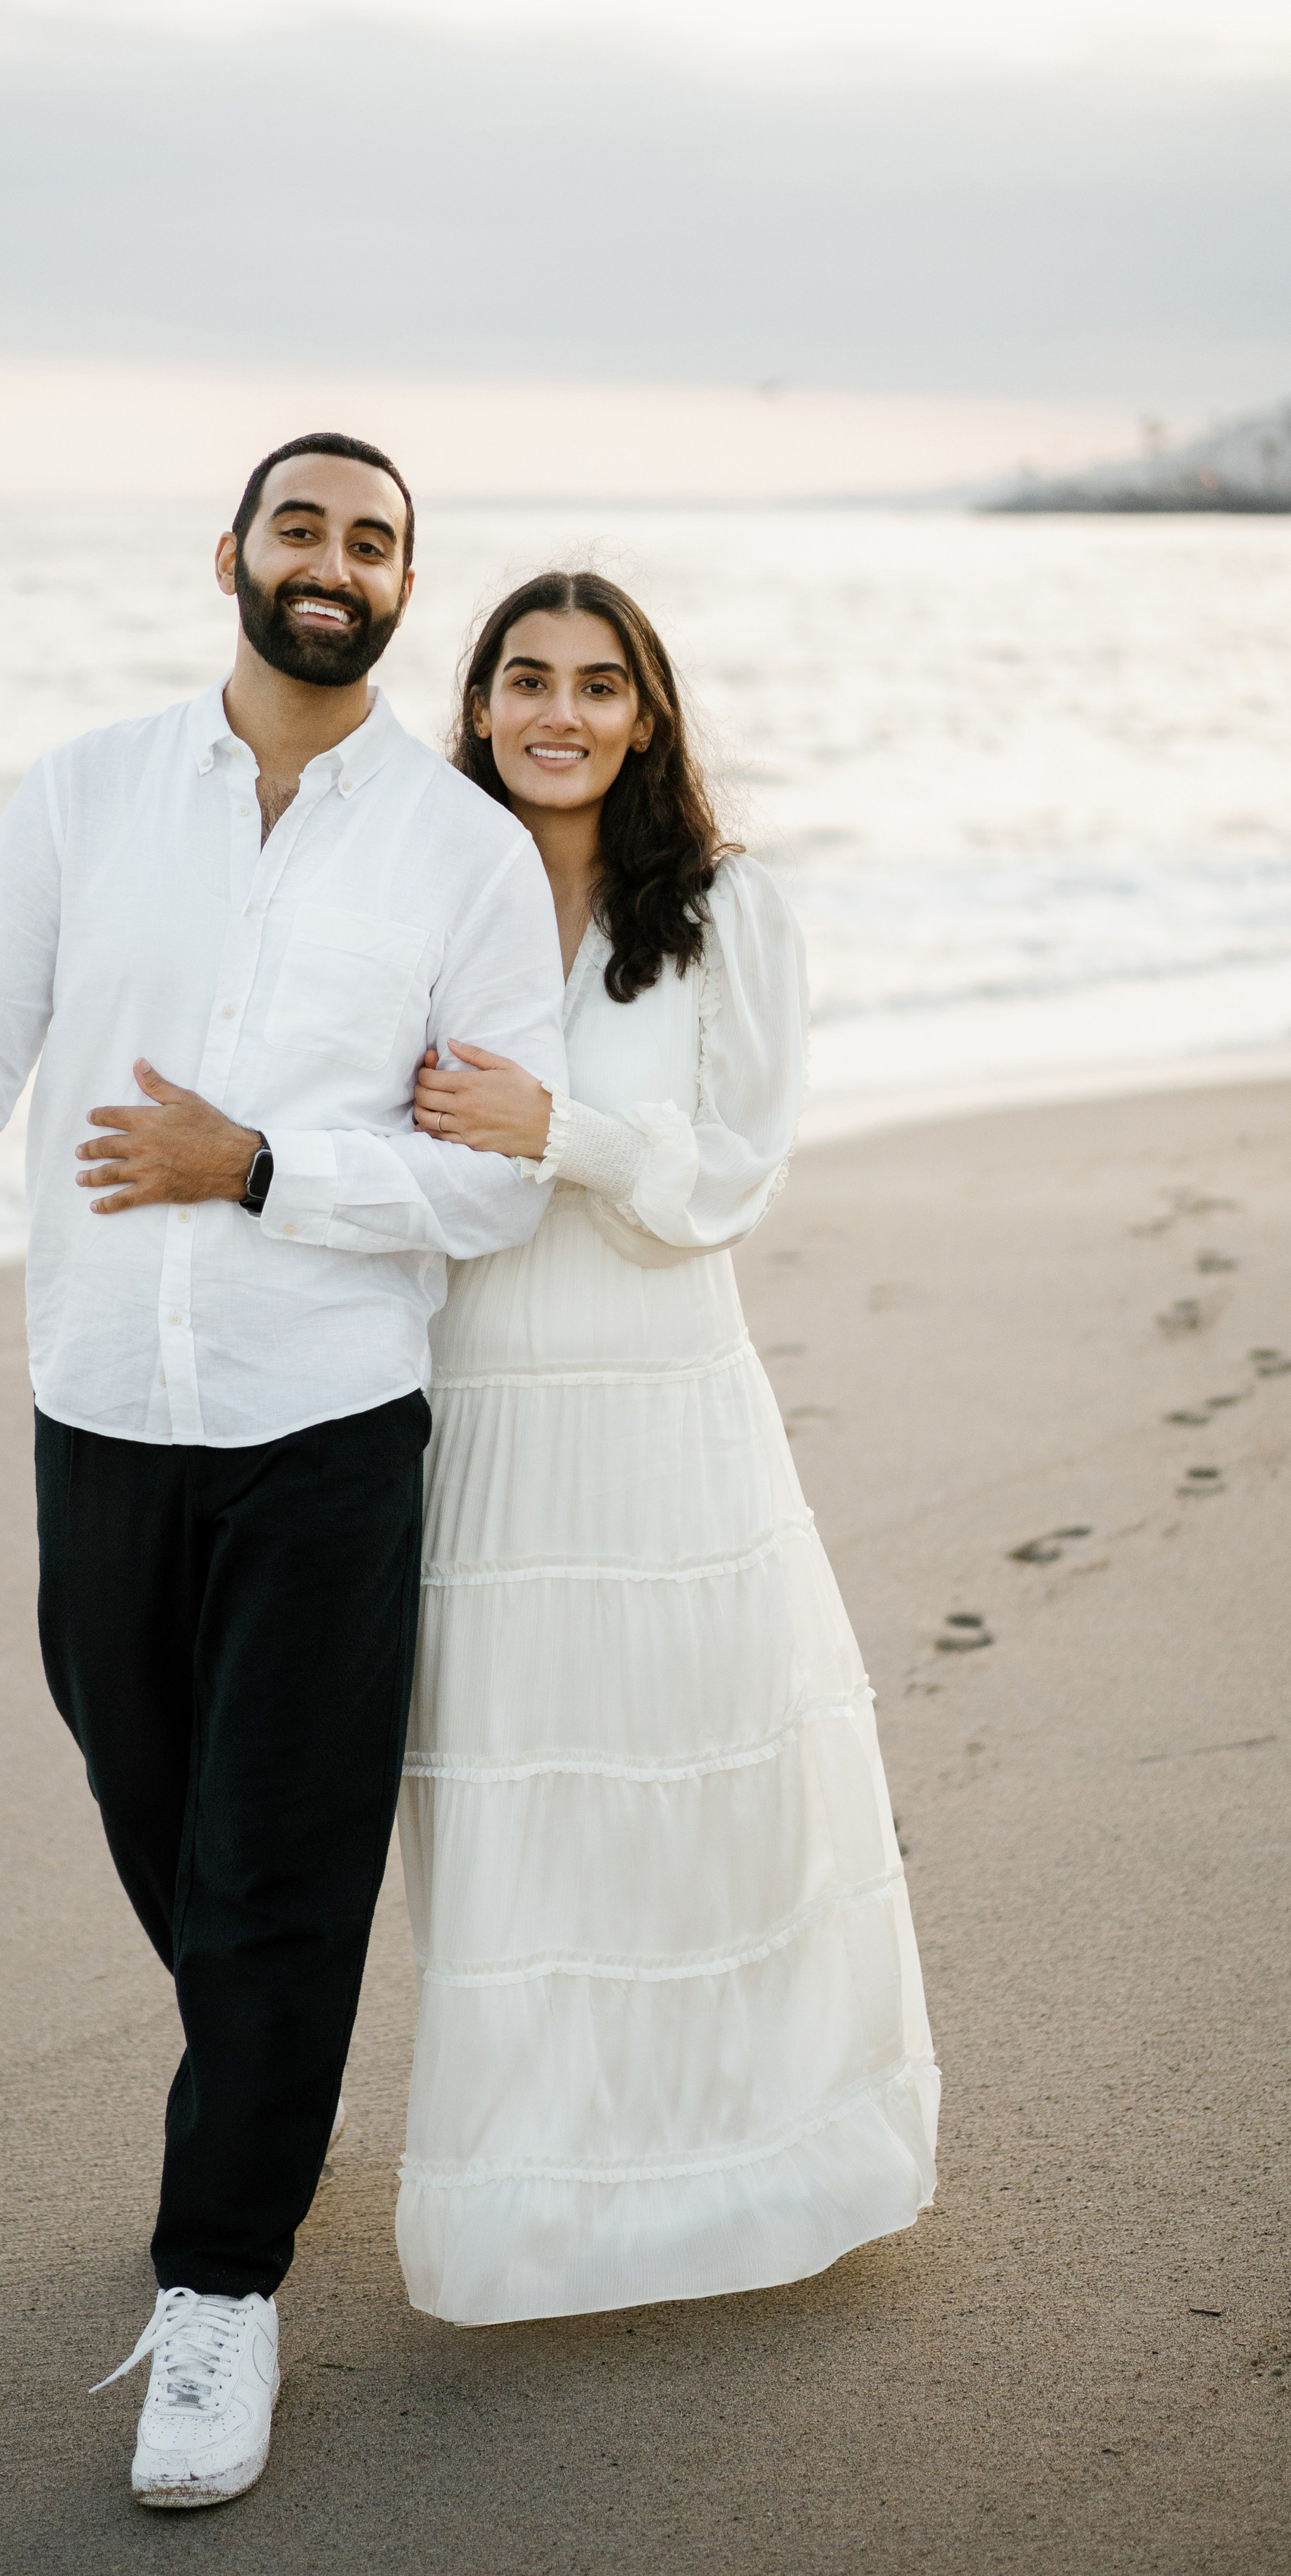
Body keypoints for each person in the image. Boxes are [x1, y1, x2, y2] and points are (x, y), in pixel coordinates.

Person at [0, 438, 568, 2505]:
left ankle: (219, 2289)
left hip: (328, 1426)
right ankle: (267, 2091)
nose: (335, 564)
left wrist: (257, 1167)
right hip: (99, 1410)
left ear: (405, 588)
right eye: (304, 528)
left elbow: (491, 1184)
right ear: (233, 556)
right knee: (164, 1828)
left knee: (278, 1869)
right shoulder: (83, 795)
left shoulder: (461, 856)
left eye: (375, 543)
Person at [396, 571, 937, 2325]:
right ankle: (537, 2204)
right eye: (523, 679)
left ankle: (741, 2167)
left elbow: (729, 1175)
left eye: (596, 684)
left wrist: (556, 1129)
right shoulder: (415, 897)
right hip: (473, 1408)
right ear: (477, 705)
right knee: (518, 1804)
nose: (556, 713)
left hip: (658, 1398)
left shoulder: (719, 909)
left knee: (699, 1786)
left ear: (644, 719)